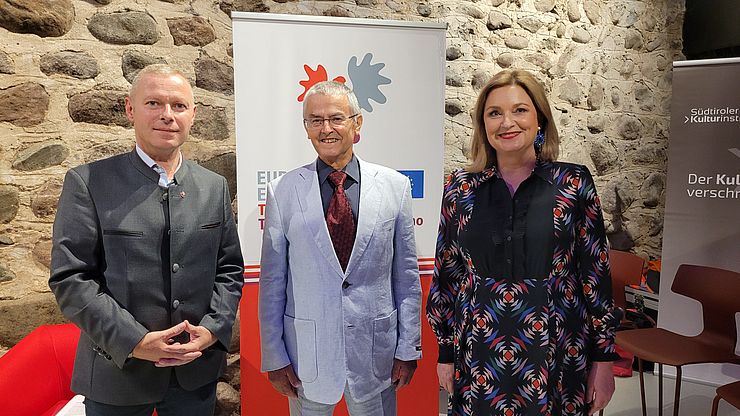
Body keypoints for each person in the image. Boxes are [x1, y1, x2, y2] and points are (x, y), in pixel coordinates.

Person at [49, 64, 244, 416]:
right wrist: (135, 341)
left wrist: (213, 329)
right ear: (130, 109)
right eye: (154, 103)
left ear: (193, 115)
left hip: (194, 374)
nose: (167, 115)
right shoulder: (89, 182)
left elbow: (229, 269)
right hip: (117, 374)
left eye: (179, 106)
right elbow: (71, 279)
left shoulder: (214, 186)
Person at [426, 69, 620, 416]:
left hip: (558, 347)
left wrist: (603, 358)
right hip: (480, 349)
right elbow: (448, 273)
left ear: (539, 118)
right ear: (483, 125)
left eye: (519, 110)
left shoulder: (573, 183)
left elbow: (595, 274)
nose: (507, 122)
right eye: (494, 113)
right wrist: (445, 352)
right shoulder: (460, 187)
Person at [259, 81, 422, 416]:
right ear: (306, 128)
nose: (326, 128)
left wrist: (408, 346)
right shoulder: (283, 191)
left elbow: (406, 277)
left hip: (376, 355)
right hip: (308, 358)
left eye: (336, 118)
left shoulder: (395, 187)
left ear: (357, 123)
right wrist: (274, 356)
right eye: (315, 120)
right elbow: (273, 282)